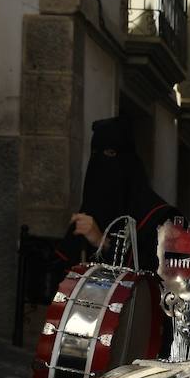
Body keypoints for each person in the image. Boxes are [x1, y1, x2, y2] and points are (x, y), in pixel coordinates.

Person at [67, 115, 175, 274]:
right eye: (95, 153)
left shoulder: (158, 217)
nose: (101, 163)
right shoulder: (91, 207)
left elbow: (154, 275)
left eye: (110, 153)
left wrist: (102, 242)